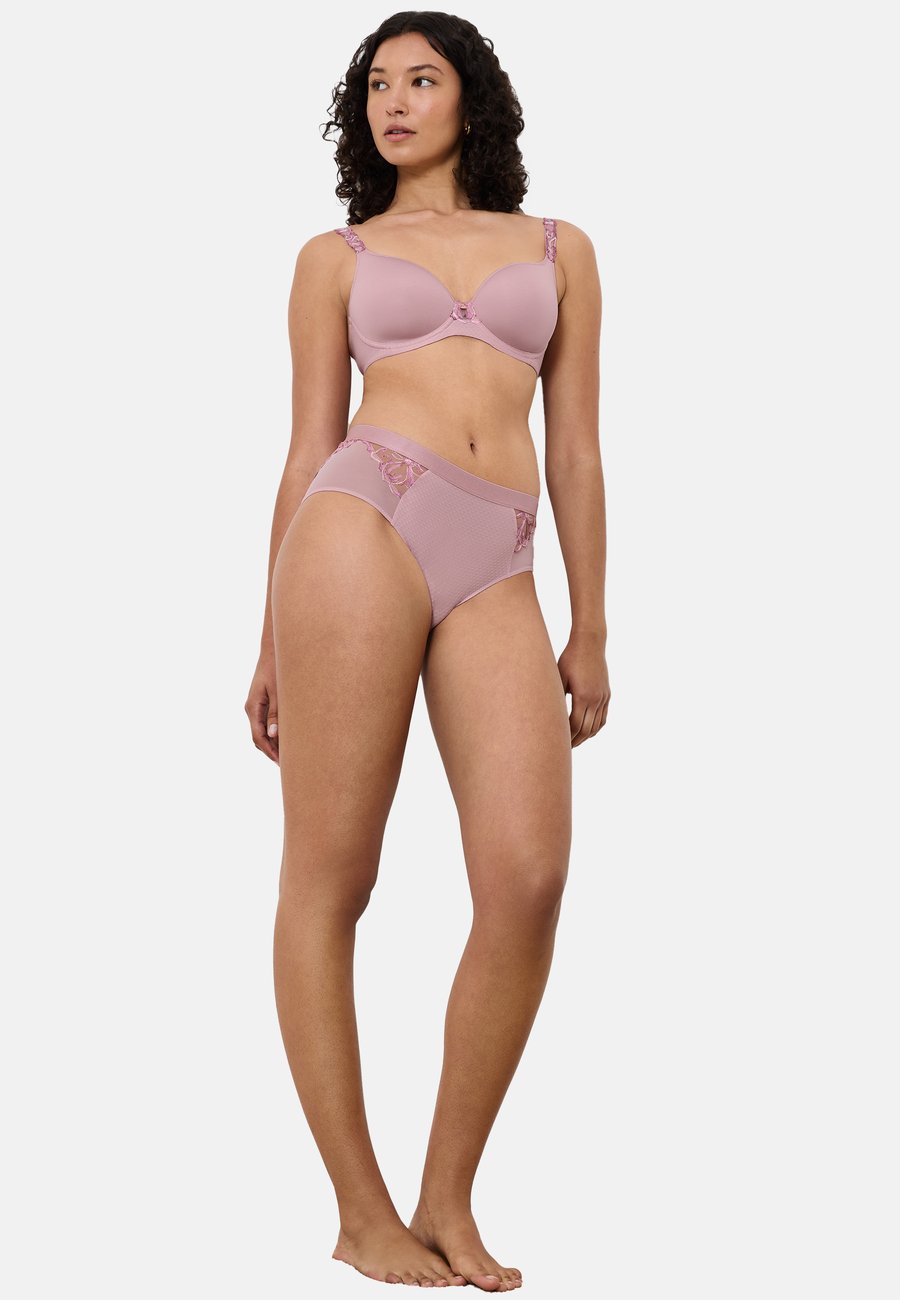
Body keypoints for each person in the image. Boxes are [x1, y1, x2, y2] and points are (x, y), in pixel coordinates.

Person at [244, 11, 610, 1291]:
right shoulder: (335, 257)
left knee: (528, 875)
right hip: (363, 521)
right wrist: (268, 635)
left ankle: (445, 1195)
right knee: (332, 877)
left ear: (471, 98)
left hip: (500, 552)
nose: (394, 102)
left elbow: (575, 446)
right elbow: (306, 444)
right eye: (377, 87)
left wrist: (592, 620)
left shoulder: (558, 248)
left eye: (421, 79)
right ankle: (362, 1211)